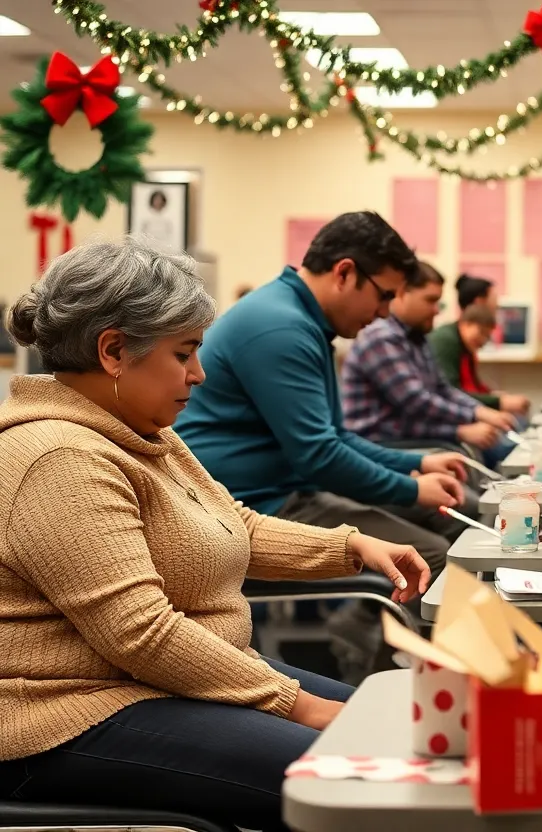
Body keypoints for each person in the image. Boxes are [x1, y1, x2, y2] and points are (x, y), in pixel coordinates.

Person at [0, 239, 433, 832]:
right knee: (362, 773)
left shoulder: (141, 430)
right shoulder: (57, 458)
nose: (199, 374)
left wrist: (347, 546)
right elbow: (142, 634)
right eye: (184, 353)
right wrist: (297, 704)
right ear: (114, 351)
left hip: (151, 683)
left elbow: (232, 523)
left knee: (393, 729)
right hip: (64, 715)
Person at [175, 212, 467, 574]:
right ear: (344, 273)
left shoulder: (303, 319)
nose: (384, 312)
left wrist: (416, 465)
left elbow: (335, 438)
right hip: (245, 508)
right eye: (383, 296)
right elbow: (320, 456)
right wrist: (413, 490)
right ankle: (368, 616)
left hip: (280, 490)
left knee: (446, 517)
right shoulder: (282, 328)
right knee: (432, 553)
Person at [342, 261, 519, 469]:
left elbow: (442, 389)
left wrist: (480, 411)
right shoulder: (381, 337)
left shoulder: (417, 336)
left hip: (407, 435)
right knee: (473, 458)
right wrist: (463, 427)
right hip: (378, 444)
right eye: (430, 300)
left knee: (493, 444)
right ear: (402, 293)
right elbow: (416, 402)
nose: (436, 310)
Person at [429, 303, 530, 417]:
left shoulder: (463, 345)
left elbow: (471, 387)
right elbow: (451, 393)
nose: (482, 341)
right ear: (466, 324)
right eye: (481, 332)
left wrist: (493, 396)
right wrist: (498, 402)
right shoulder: (446, 342)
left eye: (487, 337)